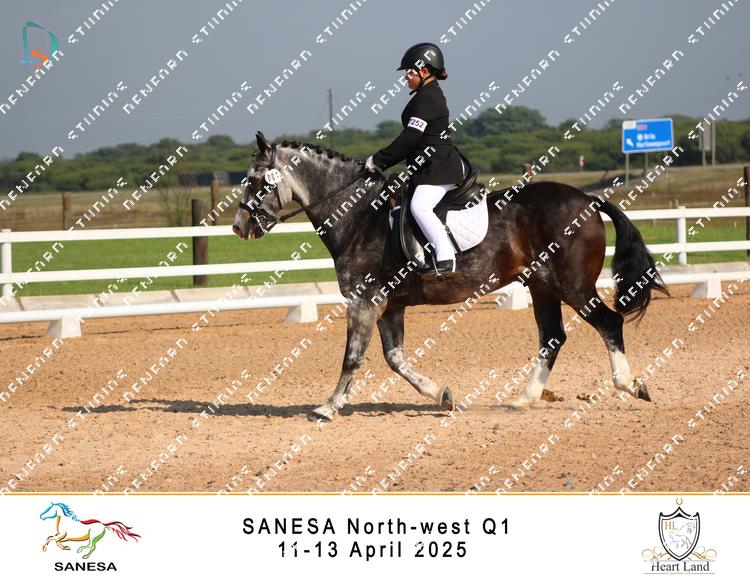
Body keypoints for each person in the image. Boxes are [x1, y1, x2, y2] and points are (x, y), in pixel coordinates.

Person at [365, 42, 466, 278]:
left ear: (424, 71)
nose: (406, 78)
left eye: (409, 73)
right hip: (427, 167)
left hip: (439, 167)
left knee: (419, 206)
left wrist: (378, 160)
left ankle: (446, 259)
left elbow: (410, 137)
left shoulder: (428, 98)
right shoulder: (425, 95)